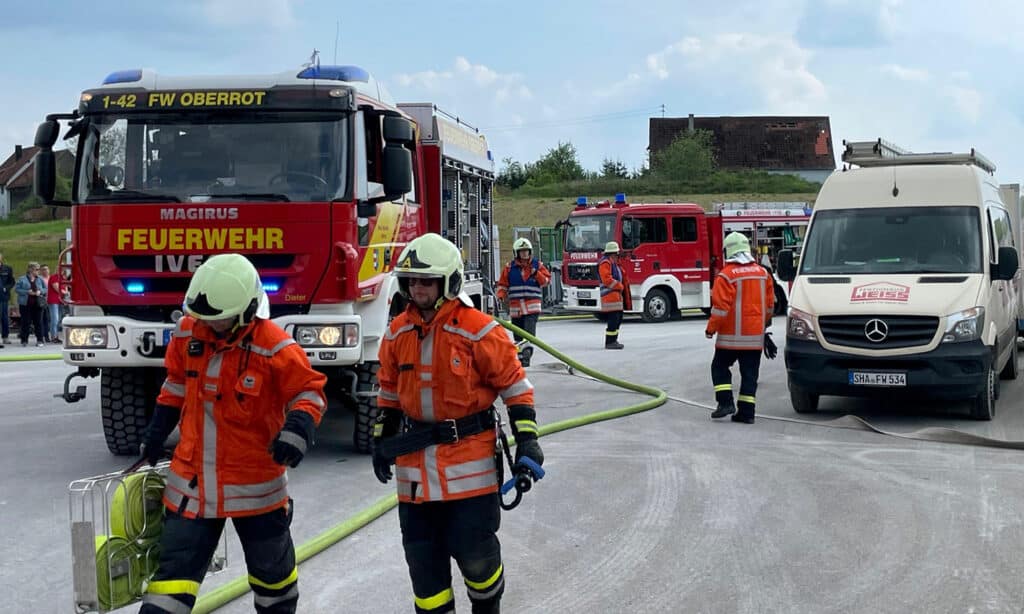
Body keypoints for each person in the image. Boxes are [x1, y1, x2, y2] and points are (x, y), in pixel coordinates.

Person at [138, 253, 327, 614]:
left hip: (255, 490)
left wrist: (298, 428)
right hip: (192, 488)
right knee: (167, 589)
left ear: (246, 311)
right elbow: (176, 383)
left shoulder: (274, 347)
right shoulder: (189, 331)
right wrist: (157, 429)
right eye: (202, 317)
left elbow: (308, 391)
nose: (208, 324)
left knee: (275, 588)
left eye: (217, 319)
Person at [372, 233, 542, 614]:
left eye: (426, 281)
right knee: (425, 575)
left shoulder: (478, 330)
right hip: (415, 478)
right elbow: (388, 391)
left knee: (479, 564)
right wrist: (382, 438)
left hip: (470, 477)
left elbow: (516, 389)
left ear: (448, 282)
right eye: (412, 281)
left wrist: (528, 442)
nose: (417, 289)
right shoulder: (396, 332)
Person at [706, 232, 775, 424]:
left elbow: (720, 309)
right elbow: (770, 306)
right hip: (754, 339)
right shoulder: (763, 274)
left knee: (719, 367)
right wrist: (762, 326)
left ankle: (725, 403)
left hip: (730, 339)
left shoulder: (726, 276)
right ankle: (747, 413)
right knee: (750, 375)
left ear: (728, 251)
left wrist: (711, 329)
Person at [495, 237, 551, 367]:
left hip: (532, 308)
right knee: (518, 337)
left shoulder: (537, 265)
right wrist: (501, 295)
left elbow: (546, 281)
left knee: (529, 336)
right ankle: (521, 359)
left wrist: (536, 274)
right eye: (522, 251)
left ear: (530, 252)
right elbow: (503, 285)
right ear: (517, 253)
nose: (524, 254)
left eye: (526, 251)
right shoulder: (509, 268)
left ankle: (526, 358)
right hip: (516, 309)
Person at [598, 241, 631, 350]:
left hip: (615, 296)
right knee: (613, 320)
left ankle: (614, 340)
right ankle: (610, 342)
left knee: (617, 319)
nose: (618, 256)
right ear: (612, 254)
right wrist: (619, 286)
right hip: (609, 296)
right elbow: (606, 279)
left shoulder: (613, 263)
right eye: (617, 254)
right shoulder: (605, 263)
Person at [14, 262, 46, 347]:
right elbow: (17, 289)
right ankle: (24, 340)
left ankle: (40, 340)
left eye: (38, 269)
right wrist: (27, 292)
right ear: (31, 269)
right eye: (37, 269)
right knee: (26, 322)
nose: (38, 271)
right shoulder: (22, 279)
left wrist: (40, 291)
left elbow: (45, 289)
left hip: (38, 304)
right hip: (25, 304)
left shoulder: (40, 279)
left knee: (38, 322)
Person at [45, 264, 65, 343]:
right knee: (55, 319)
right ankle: (54, 337)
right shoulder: (54, 277)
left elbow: (66, 288)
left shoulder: (63, 278)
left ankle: (56, 336)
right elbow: (57, 288)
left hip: (60, 301)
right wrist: (66, 292)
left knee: (59, 319)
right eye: (60, 269)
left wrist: (65, 292)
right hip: (53, 301)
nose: (62, 270)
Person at [0, 252, 13, 345]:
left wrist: (6, 288)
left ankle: (5, 337)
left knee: (4, 317)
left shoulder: (7, 269)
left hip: (3, 297)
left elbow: (11, 282)